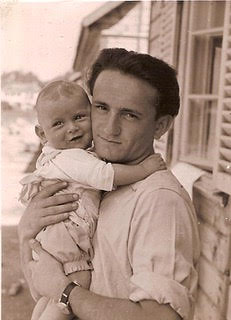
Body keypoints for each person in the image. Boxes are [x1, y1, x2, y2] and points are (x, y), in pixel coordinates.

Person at [18, 48, 200, 320]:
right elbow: (42, 283)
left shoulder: (158, 199)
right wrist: (25, 233)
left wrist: (65, 292)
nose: (108, 128)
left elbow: (159, 317)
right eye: (101, 108)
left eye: (129, 115)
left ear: (161, 126)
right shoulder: (90, 180)